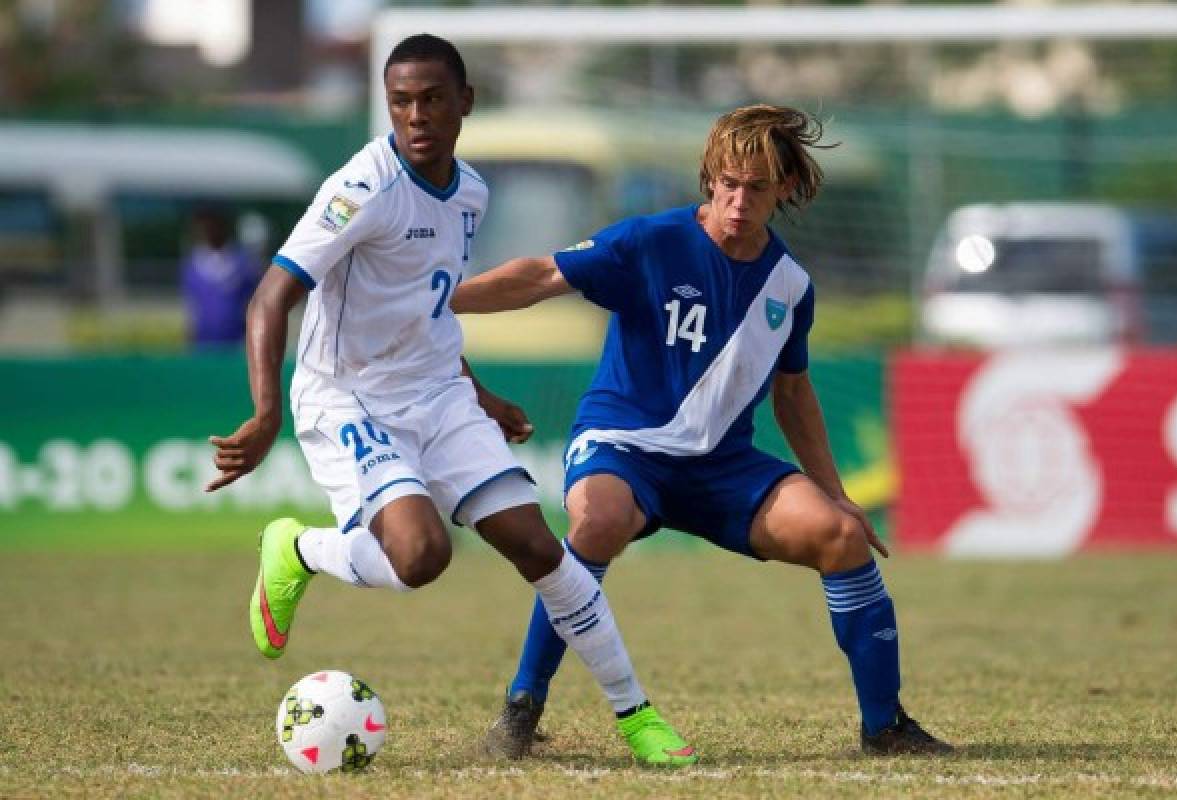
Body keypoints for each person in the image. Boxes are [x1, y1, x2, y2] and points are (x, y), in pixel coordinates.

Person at [205, 34, 696, 767]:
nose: (416, 115)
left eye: (432, 98)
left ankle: (636, 716)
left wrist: (480, 392)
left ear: (464, 101)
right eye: (401, 100)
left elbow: (425, 309)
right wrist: (267, 411)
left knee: (539, 547)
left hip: (437, 392)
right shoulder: (361, 187)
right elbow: (271, 296)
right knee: (421, 554)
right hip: (350, 397)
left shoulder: (471, 191)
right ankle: (300, 549)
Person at [451, 104, 953, 757]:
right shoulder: (650, 242)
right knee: (596, 524)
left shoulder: (790, 286)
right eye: (729, 183)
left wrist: (834, 492)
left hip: (721, 468)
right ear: (711, 180)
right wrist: (442, 296)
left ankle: (884, 727)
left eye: (758, 187)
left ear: (787, 190)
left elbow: (794, 393)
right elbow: (542, 275)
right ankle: (522, 709)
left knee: (842, 538)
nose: (739, 201)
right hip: (623, 448)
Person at [181, 205, 260, 347]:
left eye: (212, 225)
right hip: (202, 343)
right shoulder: (192, 264)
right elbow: (191, 307)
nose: (208, 230)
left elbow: (254, 302)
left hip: (235, 343)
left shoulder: (243, 264)